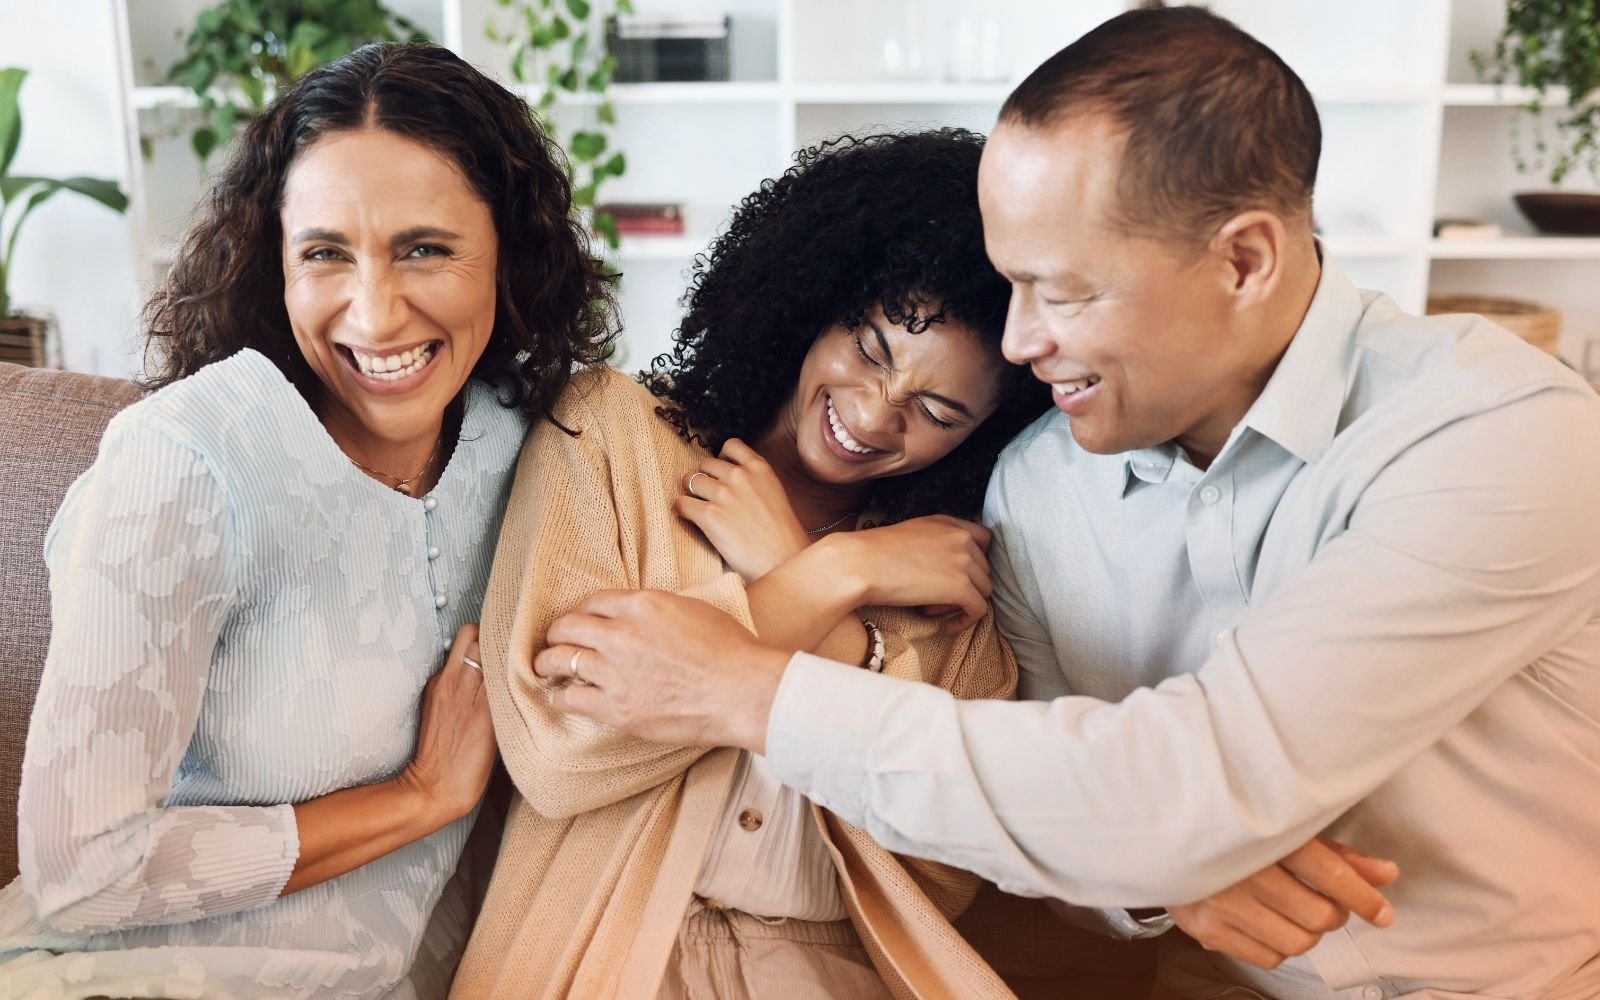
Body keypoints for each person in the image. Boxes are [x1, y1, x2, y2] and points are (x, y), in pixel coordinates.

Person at [523, 8, 1600, 1000]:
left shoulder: (1496, 432)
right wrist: (1157, 874)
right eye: (1011, 284)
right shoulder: (1039, 481)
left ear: (1244, 261)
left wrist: (746, 683)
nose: (1023, 342)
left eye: (1064, 290)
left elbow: (1179, 785)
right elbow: (1037, 783)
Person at [0, 43, 614, 1000]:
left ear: (510, 252)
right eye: (326, 253)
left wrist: (853, 576)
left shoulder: (533, 448)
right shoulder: (187, 458)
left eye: (425, 248)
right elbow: (81, 872)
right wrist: (419, 798)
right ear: (275, 264)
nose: (374, 314)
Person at [450, 130, 1054, 999]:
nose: (875, 416)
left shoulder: (946, 562)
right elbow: (559, 753)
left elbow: (947, 872)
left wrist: (814, 584)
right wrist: (834, 575)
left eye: (935, 408)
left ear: (982, 437)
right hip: (606, 960)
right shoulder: (613, 433)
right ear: (814, 302)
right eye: (869, 349)